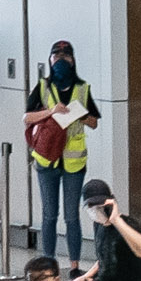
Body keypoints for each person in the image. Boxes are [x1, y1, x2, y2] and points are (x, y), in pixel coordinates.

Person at [24, 42, 97, 268]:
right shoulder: (43, 87)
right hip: (47, 159)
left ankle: (74, 265)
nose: (60, 60)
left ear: (73, 60)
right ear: (50, 60)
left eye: (65, 57)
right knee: (49, 214)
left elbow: (94, 122)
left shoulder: (83, 88)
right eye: (56, 57)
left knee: (71, 216)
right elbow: (27, 117)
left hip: (74, 161)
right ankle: (49, 262)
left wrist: (80, 116)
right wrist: (51, 111)